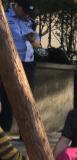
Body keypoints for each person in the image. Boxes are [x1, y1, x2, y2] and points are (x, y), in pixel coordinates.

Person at [1, 0, 41, 132]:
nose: (26, 15)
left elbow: (37, 41)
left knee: (28, 99)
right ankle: (5, 130)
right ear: (17, 6)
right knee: (7, 96)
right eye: (25, 11)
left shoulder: (30, 20)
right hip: (10, 61)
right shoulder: (4, 17)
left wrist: (35, 40)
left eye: (29, 13)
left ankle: (27, 133)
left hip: (28, 62)